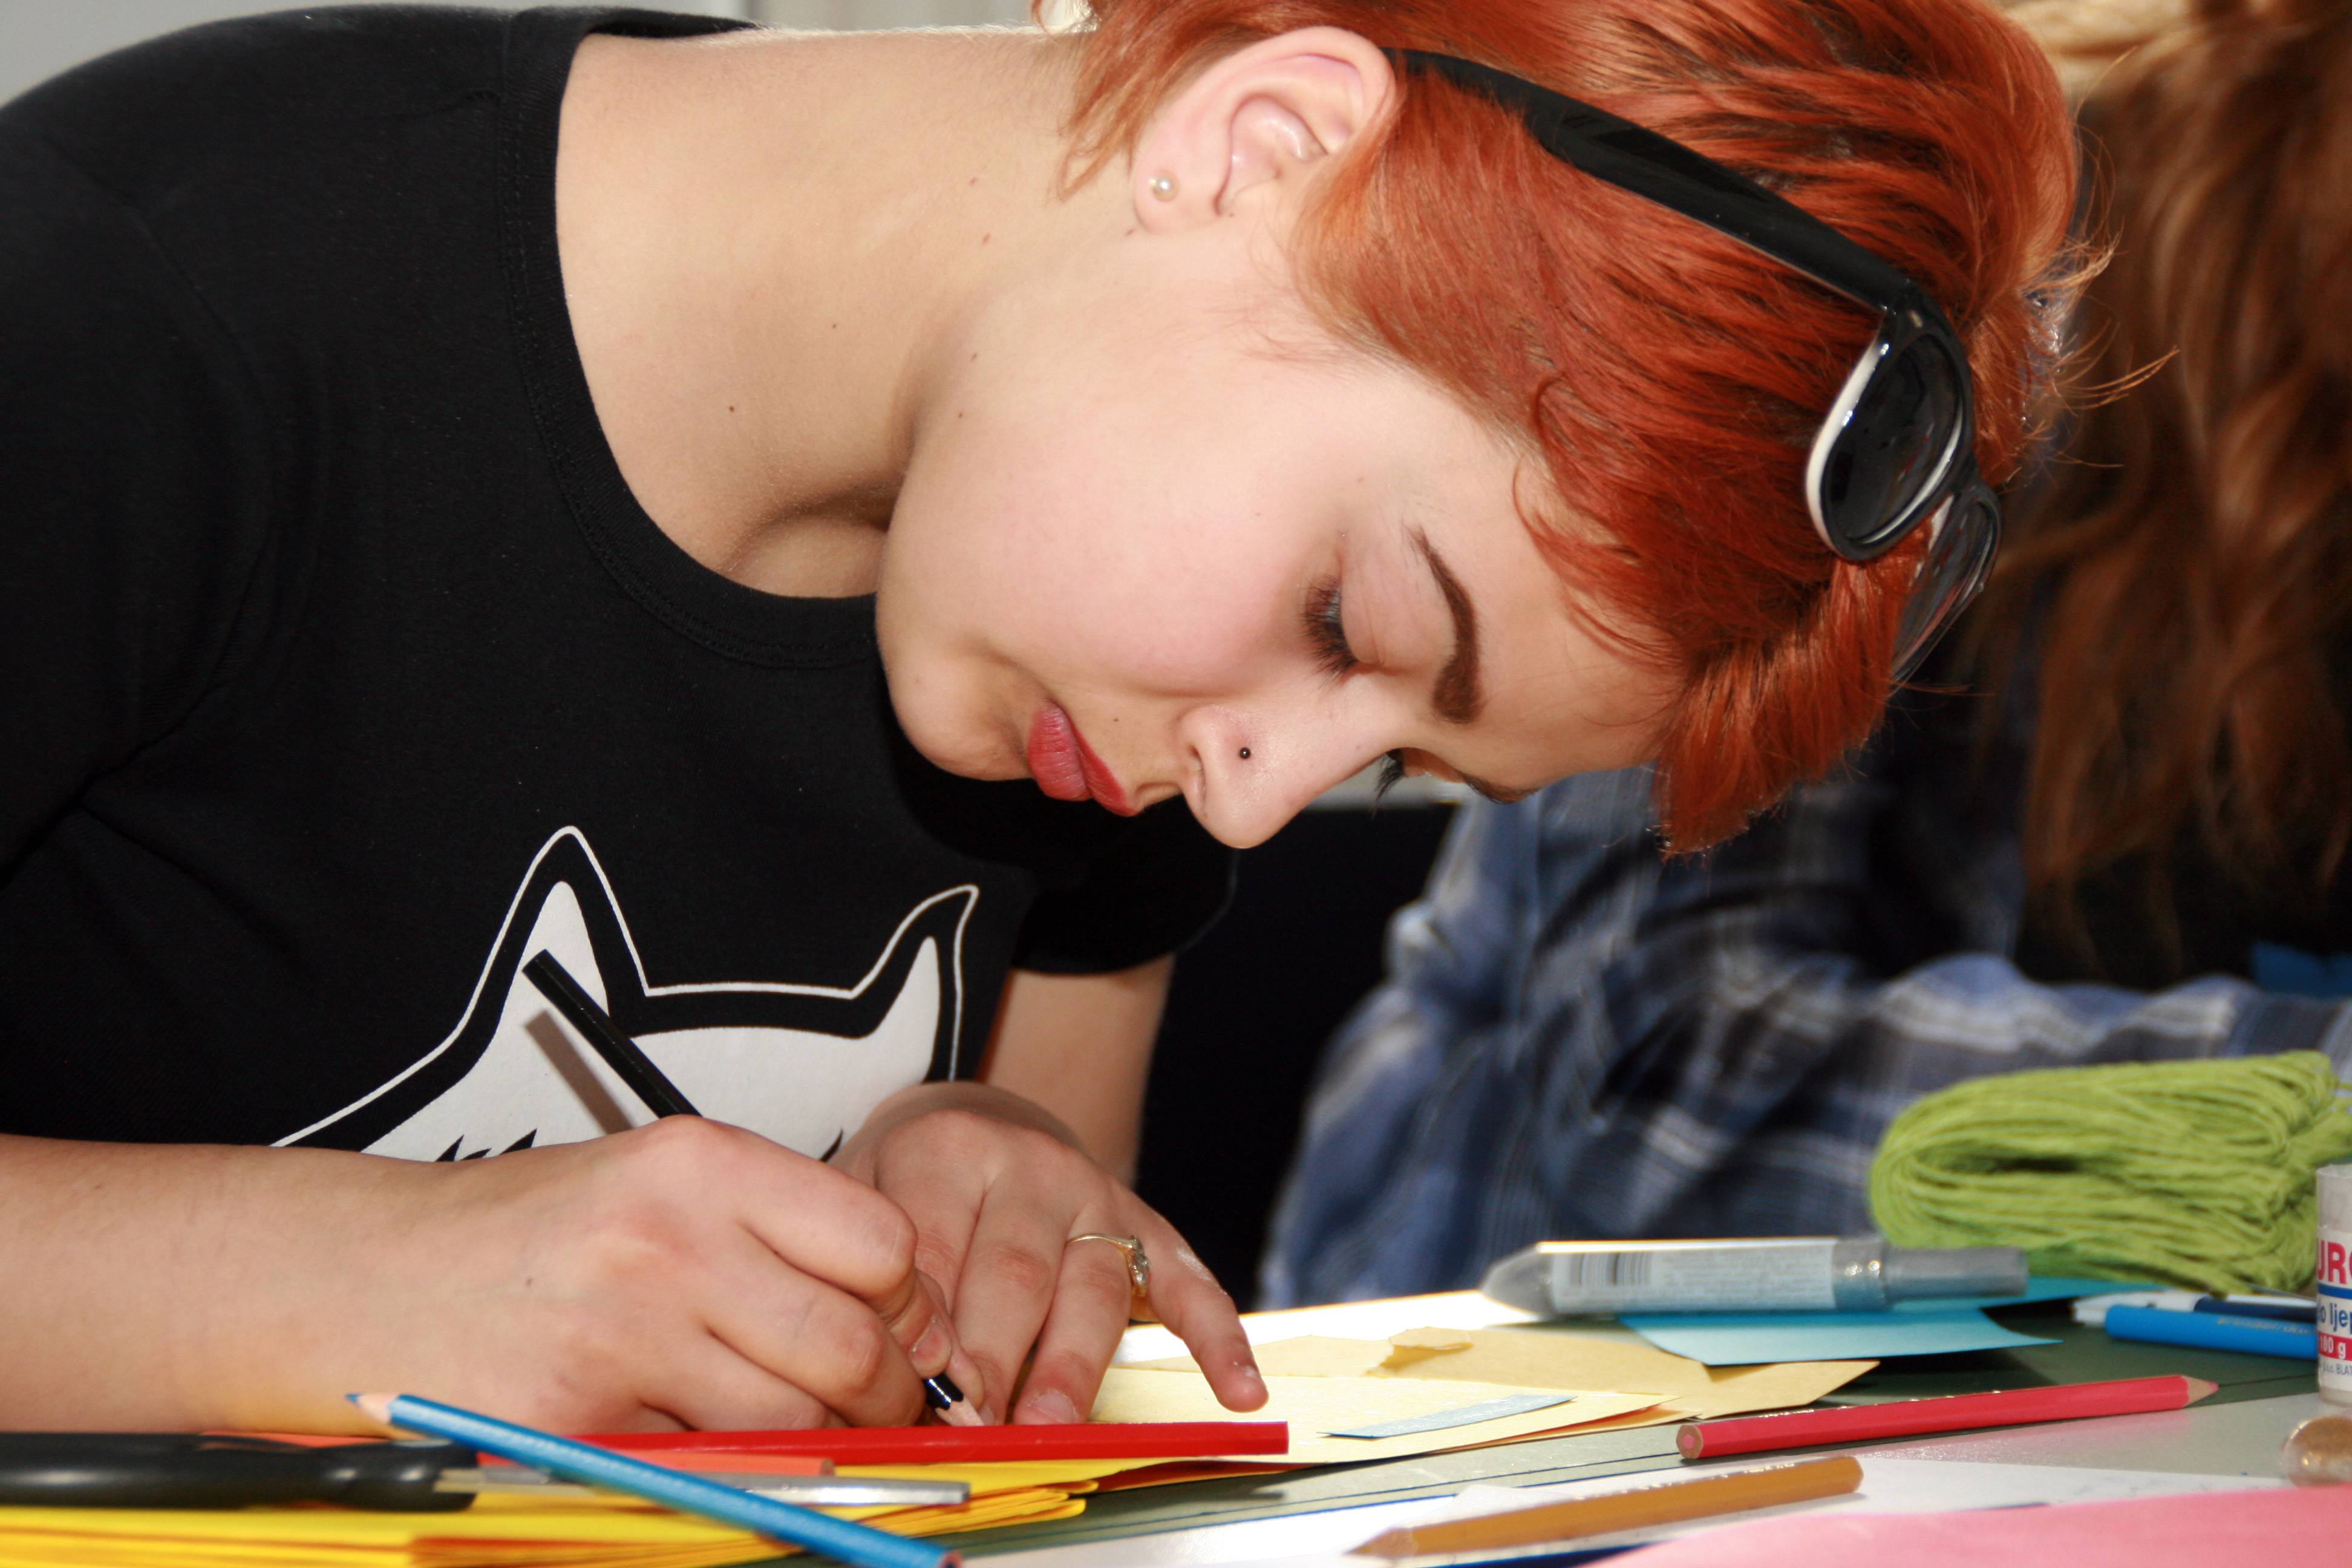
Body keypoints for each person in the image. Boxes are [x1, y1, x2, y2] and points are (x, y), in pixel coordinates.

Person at [0, 0, 2074, 1431]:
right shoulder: (138, 309)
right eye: (1348, 621)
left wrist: (977, 1162)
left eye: (1399, 765)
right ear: (1258, 148)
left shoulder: (1092, 645)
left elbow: (1001, 1292)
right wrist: (335, 1282)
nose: (1249, 804)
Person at [1261, 0, 2352, 1308]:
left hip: (2144, 1361)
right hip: (1527, 1361)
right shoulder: (1912, 331)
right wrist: (2313, 1105)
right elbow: (1655, 1075)